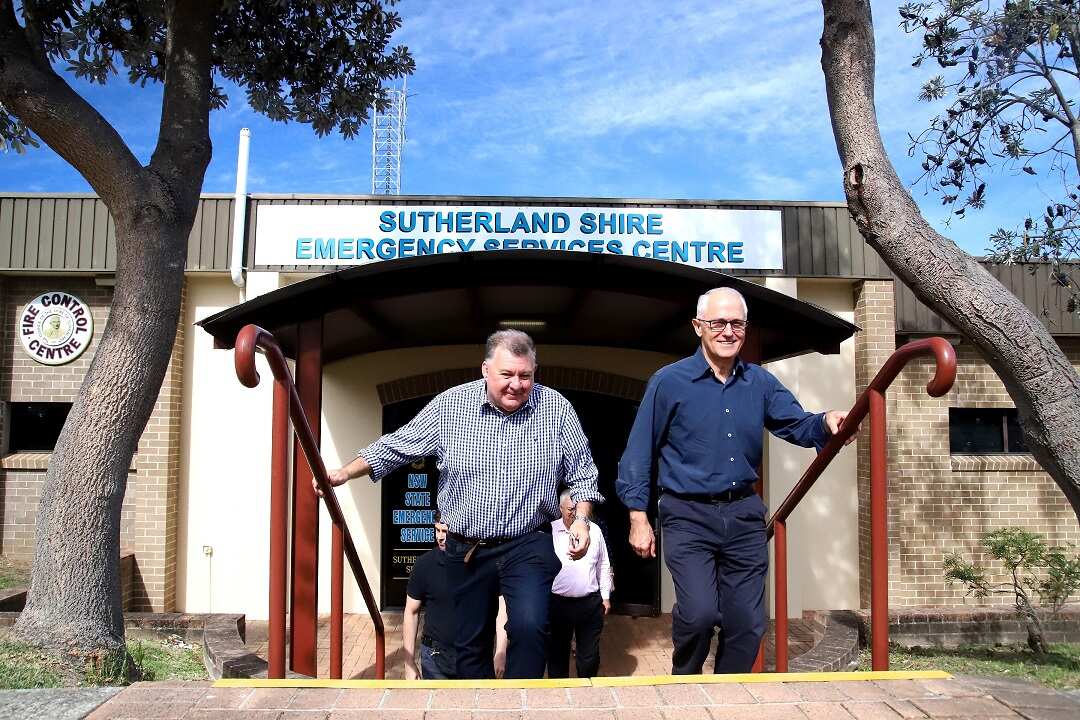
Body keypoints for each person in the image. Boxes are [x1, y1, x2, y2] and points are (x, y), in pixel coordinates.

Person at [321, 329, 602, 679]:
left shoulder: (556, 409)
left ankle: (518, 706)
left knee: (530, 629)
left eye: (525, 375)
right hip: (466, 549)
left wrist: (581, 520)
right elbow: (397, 446)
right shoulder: (451, 406)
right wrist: (345, 473)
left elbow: (584, 473)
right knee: (468, 648)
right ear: (486, 370)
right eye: (507, 374)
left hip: (528, 543)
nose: (517, 384)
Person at [616, 287, 850, 675]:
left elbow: (796, 423)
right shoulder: (669, 382)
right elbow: (639, 450)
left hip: (743, 513)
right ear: (698, 327)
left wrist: (826, 421)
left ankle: (728, 695)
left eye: (736, 323)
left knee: (747, 624)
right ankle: (686, 687)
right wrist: (637, 517)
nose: (728, 331)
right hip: (686, 513)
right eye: (718, 322)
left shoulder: (760, 382)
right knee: (698, 615)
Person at [402, 512, 510, 679]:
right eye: (437, 530)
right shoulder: (425, 564)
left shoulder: (484, 563)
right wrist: (408, 662)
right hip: (435, 655)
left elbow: (502, 608)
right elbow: (411, 612)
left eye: (445, 532)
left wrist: (501, 651)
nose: (440, 537)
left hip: (477, 654)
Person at [547, 488, 612, 679]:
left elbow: (604, 564)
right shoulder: (550, 530)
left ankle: (587, 693)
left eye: (577, 509)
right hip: (557, 603)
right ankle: (559, 698)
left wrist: (606, 596)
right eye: (569, 510)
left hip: (589, 602)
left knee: (589, 657)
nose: (574, 514)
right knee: (557, 657)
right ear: (560, 508)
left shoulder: (595, 530)